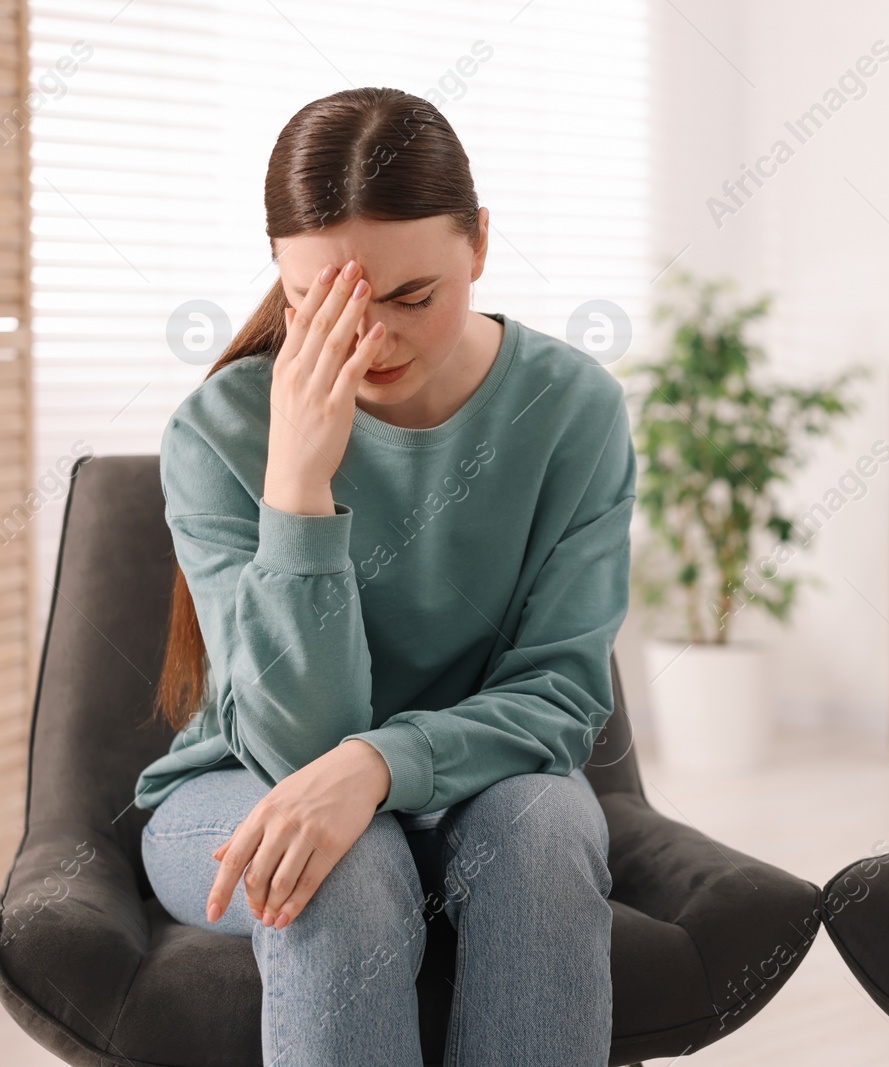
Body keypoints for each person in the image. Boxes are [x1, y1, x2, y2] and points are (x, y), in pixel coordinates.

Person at [132, 87, 634, 1067]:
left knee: (544, 822)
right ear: (281, 270)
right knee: (337, 860)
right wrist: (297, 487)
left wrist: (377, 765)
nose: (375, 342)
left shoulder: (573, 408)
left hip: (481, 781)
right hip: (239, 786)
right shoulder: (218, 430)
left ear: (479, 246)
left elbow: (561, 697)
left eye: (412, 297)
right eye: (324, 303)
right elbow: (296, 745)